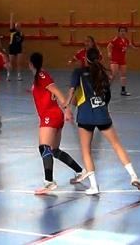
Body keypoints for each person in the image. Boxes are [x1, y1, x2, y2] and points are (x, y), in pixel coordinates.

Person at [66, 48, 140, 195]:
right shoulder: (103, 74)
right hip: (102, 114)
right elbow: (107, 96)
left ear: (85, 58)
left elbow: (72, 91)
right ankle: (134, 176)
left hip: (86, 116)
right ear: (99, 58)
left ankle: (94, 186)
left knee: (86, 151)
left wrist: (66, 107)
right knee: (117, 145)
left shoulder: (78, 72)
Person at [29, 52, 88, 195]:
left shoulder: (42, 76)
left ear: (30, 64)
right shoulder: (40, 77)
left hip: (51, 115)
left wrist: (67, 109)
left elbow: (57, 91)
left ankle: (49, 182)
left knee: (44, 148)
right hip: (54, 116)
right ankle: (80, 171)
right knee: (54, 150)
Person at [107, 26, 139, 96]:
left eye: (124, 31)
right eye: (121, 31)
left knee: (123, 75)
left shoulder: (126, 40)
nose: (122, 33)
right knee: (113, 74)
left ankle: (123, 90)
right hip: (115, 59)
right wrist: (109, 53)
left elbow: (130, 45)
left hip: (122, 60)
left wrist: (135, 48)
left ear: (126, 32)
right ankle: (106, 88)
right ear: (119, 32)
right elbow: (109, 46)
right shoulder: (116, 39)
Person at [7, 13, 24, 81]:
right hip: (12, 49)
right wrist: (11, 17)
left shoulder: (21, 33)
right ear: (15, 27)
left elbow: (22, 42)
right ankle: (8, 75)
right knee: (11, 63)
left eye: (19, 26)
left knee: (19, 63)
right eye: (17, 26)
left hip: (19, 49)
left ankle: (19, 75)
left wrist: (23, 49)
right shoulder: (12, 32)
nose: (18, 27)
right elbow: (11, 24)